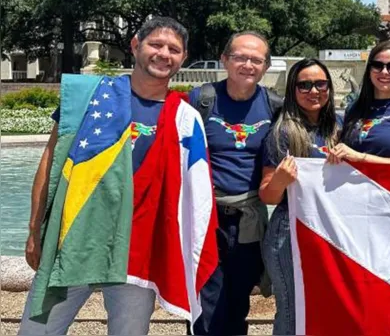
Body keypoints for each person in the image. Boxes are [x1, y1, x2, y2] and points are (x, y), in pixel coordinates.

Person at [19, 17, 213, 335]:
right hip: (76, 236)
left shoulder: (185, 118)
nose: (164, 53)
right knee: (37, 330)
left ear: (183, 58)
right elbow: (50, 160)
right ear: (135, 46)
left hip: (139, 250)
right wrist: (34, 229)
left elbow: (194, 194)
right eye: (156, 44)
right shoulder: (88, 96)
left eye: (173, 49)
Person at [187, 31, 282, 335]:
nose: (248, 64)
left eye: (256, 59)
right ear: (225, 59)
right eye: (240, 57)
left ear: (266, 66)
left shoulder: (274, 106)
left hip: (248, 222)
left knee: (239, 304)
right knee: (204, 307)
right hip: (205, 220)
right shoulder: (199, 100)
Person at [258, 58, 341, 335]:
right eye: (304, 85)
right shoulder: (282, 133)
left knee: (327, 306)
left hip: (331, 229)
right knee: (293, 310)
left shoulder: (339, 128)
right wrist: (280, 181)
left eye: (320, 84)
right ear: (292, 90)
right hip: (289, 231)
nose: (313, 90)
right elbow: (268, 195)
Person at [330, 40, 390, 165]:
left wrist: (361, 157)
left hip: (388, 184)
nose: (384, 72)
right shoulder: (354, 108)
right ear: (369, 71)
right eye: (377, 65)